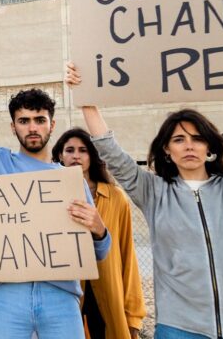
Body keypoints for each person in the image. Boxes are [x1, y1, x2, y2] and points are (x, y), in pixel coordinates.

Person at [66, 62, 223, 339]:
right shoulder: (154, 192)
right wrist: (86, 99)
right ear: (167, 150)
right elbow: (111, 152)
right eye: (179, 139)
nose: (189, 145)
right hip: (179, 327)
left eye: (197, 138)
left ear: (210, 147)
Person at [0, 52, 111, 338]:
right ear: (13, 126)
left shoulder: (69, 180)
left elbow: (100, 252)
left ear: (51, 125)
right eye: (24, 120)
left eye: (40, 120)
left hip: (61, 298)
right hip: (8, 297)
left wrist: (98, 229)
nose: (32, 127)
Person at [51, 128, 146, 339]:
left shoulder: (116, 197)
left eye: (83, 150)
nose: (76, 155)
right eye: (70, 150)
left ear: (92, 156)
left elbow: (127, 255)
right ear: (60, 155)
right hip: (67, 294)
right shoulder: (50, 197)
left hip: (109, 292)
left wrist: (133, 316)